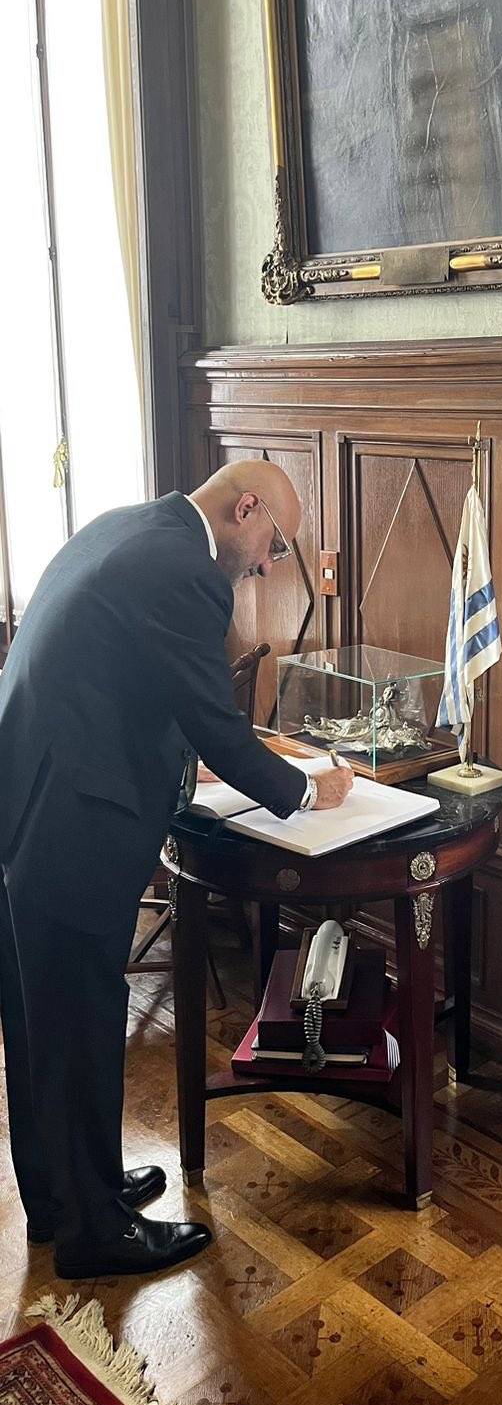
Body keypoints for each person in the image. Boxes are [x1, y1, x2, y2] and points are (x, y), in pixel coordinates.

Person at [0, 461, 353, 1281]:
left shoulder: (128, 526)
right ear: (247, 507)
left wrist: (194, 766)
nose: (266, 565)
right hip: (74, 823)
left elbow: (129, 687)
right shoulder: (186, 571)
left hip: (30, 803)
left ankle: (62, 1196)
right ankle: (95, 1233)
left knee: (42, 1018)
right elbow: (216, 722)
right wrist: (308, 789)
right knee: (81, 1022)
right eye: (274, 546)